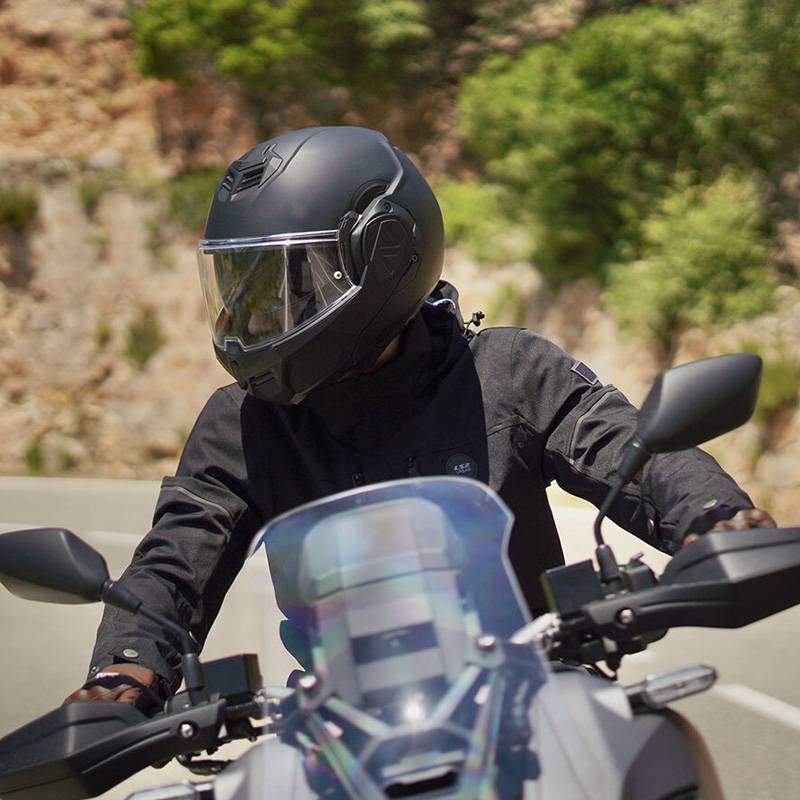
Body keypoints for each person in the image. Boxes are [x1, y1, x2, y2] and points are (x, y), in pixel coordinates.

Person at [65, 126, 774, 709]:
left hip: (537, 699)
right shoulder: (244, 424)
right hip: (345, 733)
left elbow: (624, 446)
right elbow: (176, 558)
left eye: (285, 286)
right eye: (239, 290)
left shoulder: (506, 373)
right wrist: (124, 670)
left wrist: (711, 518)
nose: (254, 321)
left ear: (382, 256)